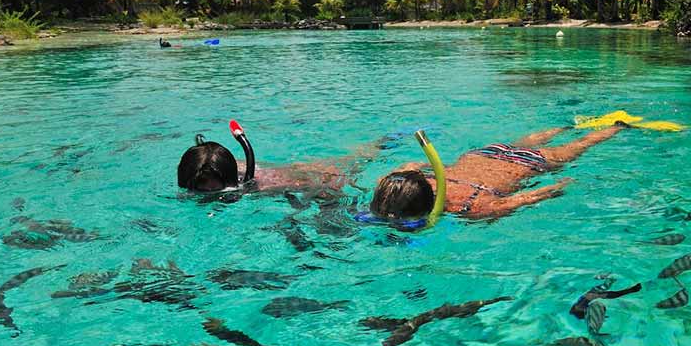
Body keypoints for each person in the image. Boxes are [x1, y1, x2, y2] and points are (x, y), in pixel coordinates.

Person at [369, 123, 634, 220]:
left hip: (529, 163)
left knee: (582, 145)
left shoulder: (473, 208)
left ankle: (619, 127)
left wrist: (562, 184)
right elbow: (408, 168)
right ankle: (566, 125)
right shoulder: (419, 183)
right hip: (483, 153)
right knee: (525, 140)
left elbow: (528, 198)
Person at [177, 121, 384, 196]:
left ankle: (386, 141)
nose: (205, 193)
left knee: (358, 160)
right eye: (199, 190)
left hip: (310, 174)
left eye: (213, 190)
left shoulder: (264, 186)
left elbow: (321, 189)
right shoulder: (197, 171)